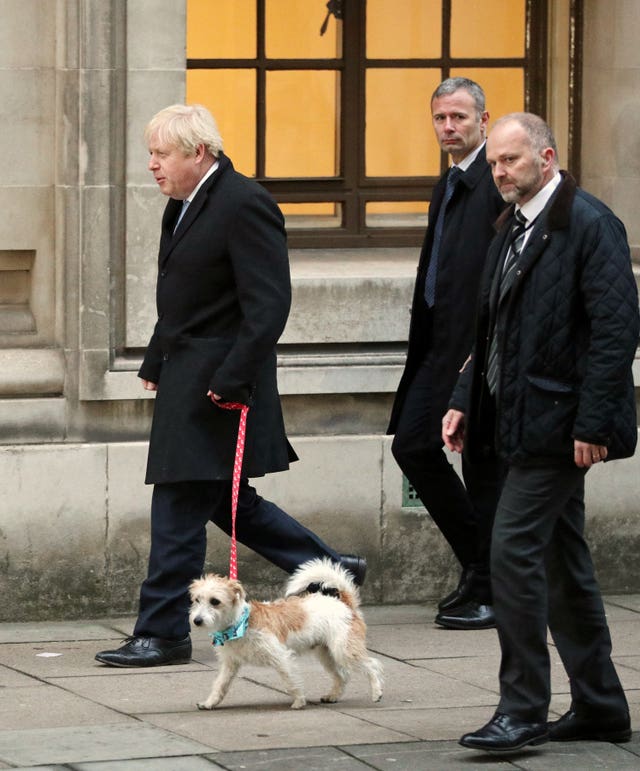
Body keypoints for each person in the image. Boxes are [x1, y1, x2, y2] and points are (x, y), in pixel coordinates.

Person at [96, 104, 366, 668]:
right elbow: (183, 297)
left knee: (176, 507)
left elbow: (268, 305)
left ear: (198, 152)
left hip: (218, 389)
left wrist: (231, 379)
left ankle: (162, 632)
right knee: (228, 501)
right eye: (151, 153)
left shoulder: (245, 202)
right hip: (186, 379)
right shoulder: (185, 203)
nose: (152, 165)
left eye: (160, 153)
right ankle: (334, 569)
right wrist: (153, 359)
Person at [444, 113, 638, 752]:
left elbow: (616, 332)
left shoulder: (589, 224)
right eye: (495, 162)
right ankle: (602, 707)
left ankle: (522, 709)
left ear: (547, 157)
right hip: (514, 419)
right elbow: (490, 329)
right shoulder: (513, 225)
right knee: (562, 562)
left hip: (561, 429)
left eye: (512, 161)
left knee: (512, 552)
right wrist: (462, 399)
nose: (500, 172)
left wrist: (594, 423)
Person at [388, 78, 504, 629]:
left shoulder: (495, 180)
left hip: (476, 354)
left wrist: (477, 355)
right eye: (440, 119)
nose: (449, 127)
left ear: (484, 119)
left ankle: (490, 584)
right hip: (436, 347)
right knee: (413, 445)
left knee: (482, 467)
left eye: (459, 117)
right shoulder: (451, 180)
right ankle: (481, 569)